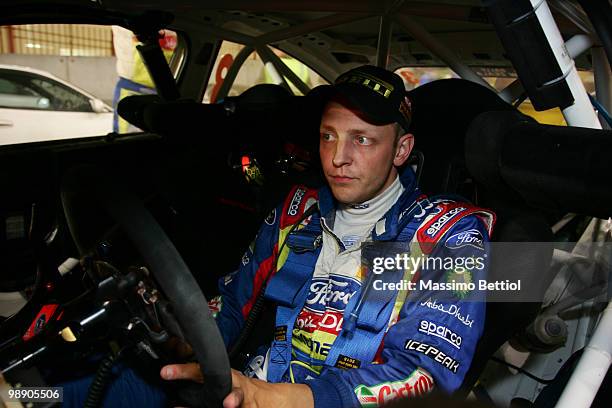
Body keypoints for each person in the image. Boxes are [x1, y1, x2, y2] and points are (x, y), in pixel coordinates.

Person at [160, 65, 495, 407]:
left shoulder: (450, 234)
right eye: (328, 136)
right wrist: (192, 337)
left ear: (401, 150)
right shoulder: (298, 208)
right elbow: (233, 303)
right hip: (249, 386)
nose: (337, 158)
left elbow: (424, 376)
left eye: (361, 139)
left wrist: (277, 398)